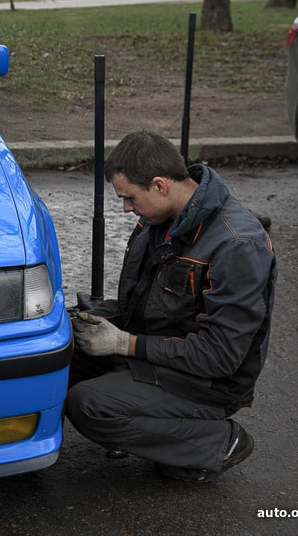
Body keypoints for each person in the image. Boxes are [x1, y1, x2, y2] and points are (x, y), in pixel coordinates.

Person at [66, 130, 276, 482]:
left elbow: (220, 356)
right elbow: (145, 306)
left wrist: (124, 343)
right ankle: (143, 423)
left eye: (129, 197)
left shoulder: (237, 245)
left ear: (160, 185)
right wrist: (83, 320)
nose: (125, 207)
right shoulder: (157, 220)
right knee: (60, 355)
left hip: (207, 382)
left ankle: (216, 442)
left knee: (89, 405)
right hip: (160, 353)